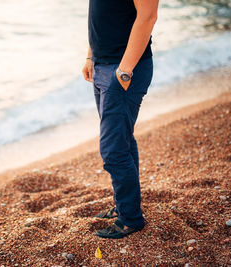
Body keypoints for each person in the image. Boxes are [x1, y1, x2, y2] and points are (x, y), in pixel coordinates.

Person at [82, 0, 159, 239]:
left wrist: (124, 71)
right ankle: (125, 207)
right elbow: (102, 16)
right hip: (102, 65)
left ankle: (130, 219)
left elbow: (148, 16)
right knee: (122, 140)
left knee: (113, 150)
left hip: (124, 70)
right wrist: (90, 56)